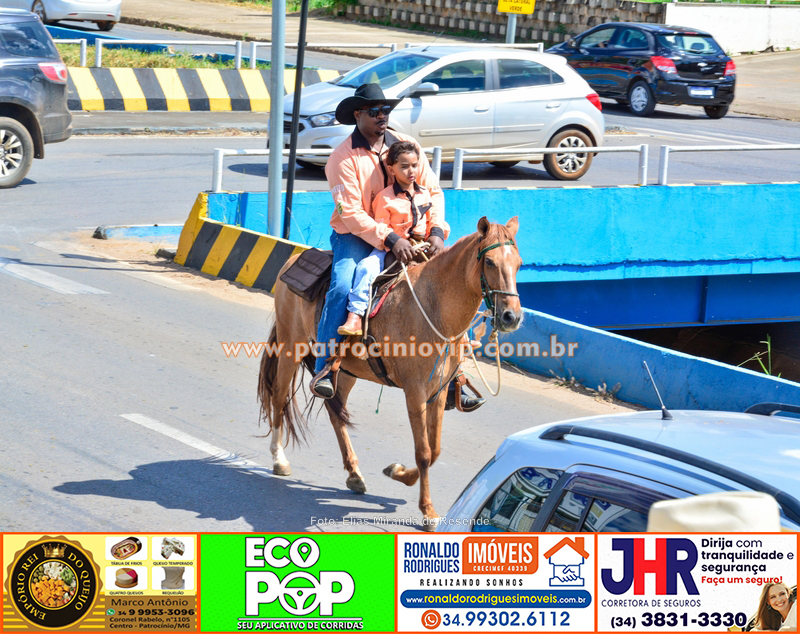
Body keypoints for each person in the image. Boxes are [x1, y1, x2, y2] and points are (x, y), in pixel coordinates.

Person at [309, 83, 484, 412]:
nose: (382, 116)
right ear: (357, 115)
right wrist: (390, 239)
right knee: (343, 285)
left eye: (386, 110)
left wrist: (436, 232)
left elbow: (433, 191)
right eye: (374, 111)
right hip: (356, 235)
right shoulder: (342, 158)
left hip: (412, 233)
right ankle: (326, 366)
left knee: (451, 285)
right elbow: (351, 213)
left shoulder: (406, 146)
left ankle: (455, 375)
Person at [338, 140, 442, 337]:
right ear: (392, 169)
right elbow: (382, 227)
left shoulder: (425, 194)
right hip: (392, 248)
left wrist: (437, 236)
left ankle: (462, 335)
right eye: (404, 166)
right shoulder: (384, 198)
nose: (411, 171)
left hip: (422, 246)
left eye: (414, 165)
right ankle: (356, 314)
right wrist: (395, 243)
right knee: (366, 268)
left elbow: (431, 220)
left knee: (454, 268)